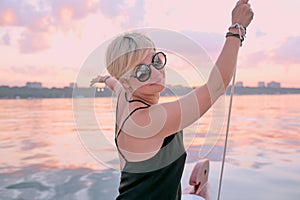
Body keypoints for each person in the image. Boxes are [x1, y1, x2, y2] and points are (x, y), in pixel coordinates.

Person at [90, 0, 253, 199]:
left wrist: (104, 79)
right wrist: (237, 29)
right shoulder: (149, 120)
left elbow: (115, 85)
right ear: (126, 81)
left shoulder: (125, 98)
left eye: (156, 60)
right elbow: (215, 87)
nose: (155, 72)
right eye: (141, 71)